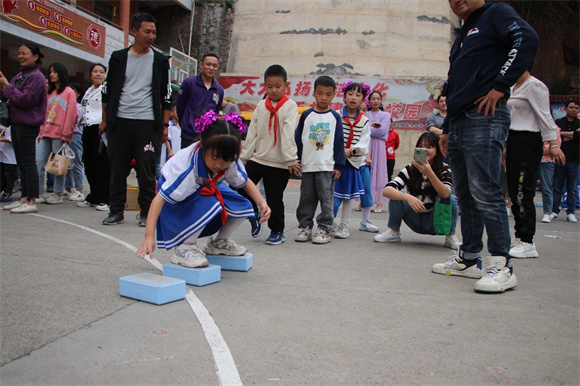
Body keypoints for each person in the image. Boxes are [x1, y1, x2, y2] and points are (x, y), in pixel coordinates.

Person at [434, 0, 539, 293]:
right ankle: (469, 258)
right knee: (465, 192)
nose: (457, 0)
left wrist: (500, 85)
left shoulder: (497, 13)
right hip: (459, 121)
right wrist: (447, 127)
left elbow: (526, 39)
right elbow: (456, 82)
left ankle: (502, 264)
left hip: (485, 115)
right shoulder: (464, 31)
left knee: (486, 191)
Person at [136, 113, 270, 268]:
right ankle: (185, 247)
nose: (219, 164)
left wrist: (261, 202)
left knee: (243, 205)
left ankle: (218, 242)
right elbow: (159, 199)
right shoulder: (186, 167)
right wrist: (148, 236)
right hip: (176, 197)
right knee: (212, 203)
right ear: (202, 144)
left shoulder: (229, 159)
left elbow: (245, 182)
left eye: (225, 160)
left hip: (206, 188)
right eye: (214, 157)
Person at [100, 12, 172, 226]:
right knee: (117, 169)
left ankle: (146, 212)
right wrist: (105, 120)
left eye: (154, 32)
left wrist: (165, 125)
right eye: (146, 31)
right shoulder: (118, 58)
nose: (151, 36)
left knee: (147, 170)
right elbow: (108, 90)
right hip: (119, 122)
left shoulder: (160, 60)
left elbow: (166, 95)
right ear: (134, 31)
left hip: (147, 122)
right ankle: (116, 210)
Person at [505, 68, 565, 258]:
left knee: (523, 191)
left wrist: (553, 143)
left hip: (529, 140)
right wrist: (506, 146)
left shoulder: (535, 86)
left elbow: (545, 115)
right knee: (514, 191)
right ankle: (519, 236)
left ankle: (527, 241)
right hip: (514, 139)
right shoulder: (512, 86)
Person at [239, 65, 299, 245]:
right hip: (258, 158)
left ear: (286, 85)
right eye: (270, 86)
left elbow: (289, 133)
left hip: (279, 163)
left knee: (274, 198)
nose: (273, 90)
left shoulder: (290, 107)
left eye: (278, 86)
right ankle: (254, 213)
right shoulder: (261, 105)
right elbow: (252, 133)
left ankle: (277, 231)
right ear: (264, 85)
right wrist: (243, 158)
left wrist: (290, 159)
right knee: (241, 186)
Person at [374, 132, 460, 249]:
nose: (424, 150)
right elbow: (387, 190)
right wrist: (408, 198)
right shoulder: (411, 168)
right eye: (420, 147)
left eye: (429, 147)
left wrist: (429, 173)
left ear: (437, 150)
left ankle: (450, 237)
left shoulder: (444, 169)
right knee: (397, 194)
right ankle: (393, 232)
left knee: (452, 198)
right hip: (415, 219)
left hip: (436, 221)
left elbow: (445, 194)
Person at [294, 75, 345, 244]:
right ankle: (305, 227)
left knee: (326, 199)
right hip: (307, 165)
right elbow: (298, 138)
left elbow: (338, 142)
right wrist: (297, 159)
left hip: (327, 167)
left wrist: (338, 165)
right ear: (314, 93)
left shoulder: (335, 117)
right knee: (306, 198)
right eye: (320, 93)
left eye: (328, 94)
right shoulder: (307, 115)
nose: (324, 97)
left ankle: (324, 229)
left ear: (333, 95)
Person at [0, 43, 47, 214]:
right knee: (21, 162)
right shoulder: (20, 75)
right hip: (17, 122)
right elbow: (10, 95)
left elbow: (26, 99)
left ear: (35, 56)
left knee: (28, 162)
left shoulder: (37, 77)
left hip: (28, 123)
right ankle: (23, 198)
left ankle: (31, 200)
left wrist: (7, 84)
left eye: (24, 53)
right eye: (18, 53)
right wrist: (6, 86)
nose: (20, 56)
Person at [333, 81, 371, 239]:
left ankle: (344, 226)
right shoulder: (336, 115)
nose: (353, 98)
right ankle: (330, 221)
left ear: (363, 98)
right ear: (344, 96)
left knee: (348, 196)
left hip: (351, 163)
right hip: (334, 163)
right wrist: (339, 151)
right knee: (331, 194)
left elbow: (364, 144)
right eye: (350, 94)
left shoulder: (364, 121)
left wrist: (350, 151)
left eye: (358, 95)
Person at [36, 63, 78, 205]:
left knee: (58, 165)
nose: (51, 74)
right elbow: (44, 114)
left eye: (54, 72)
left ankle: (58, 193)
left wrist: (66, 135)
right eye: (50, 72)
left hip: (60, 134)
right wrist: (41, 132)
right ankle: (37, 192)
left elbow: (71, 114)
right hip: (46, 132)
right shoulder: (50, 93)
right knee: (38, 162)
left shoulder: (69, 92)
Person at [77, 63, 110, 211]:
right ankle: (94, 195)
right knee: (89, 163)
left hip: (100, 128)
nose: (98, 74)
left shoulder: (106, 88)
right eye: (95, 71)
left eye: (101, 72)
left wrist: (105, 123)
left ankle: (106, 197)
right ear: (90, 74)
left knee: (101, 163)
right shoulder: (89, 91)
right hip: (87, 127)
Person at [177, 53, 224, 149]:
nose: (211, 68)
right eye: (208, 64)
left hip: (207, 136)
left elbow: (216, 111)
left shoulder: (219, 90)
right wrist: (186, 124)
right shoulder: (189, 83)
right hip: (189, 135)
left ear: (218, 68)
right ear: (201, 65)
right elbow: (180, 106)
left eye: (214, 66)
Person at [553, 99, 579, 223]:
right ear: (566, 109)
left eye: (576, 108)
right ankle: (554, 210)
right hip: (559, 158)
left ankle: (571, 212)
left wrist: (563, 134)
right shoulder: (559, 121)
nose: (574, 110)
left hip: (574, 159)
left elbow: (578, 136)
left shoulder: (579, 123)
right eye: (571, 107)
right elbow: (555, 135)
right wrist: (572, 135)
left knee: (572, 188)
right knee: (557, 186)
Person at [366, 90, 391, 213]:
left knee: (379, 171)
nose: (376, 101)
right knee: (365, 171)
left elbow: (382, 131)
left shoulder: (385, 115)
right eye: (373, 98)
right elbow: (361, 131)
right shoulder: (365, 114)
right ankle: (363, 200)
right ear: (369, 100)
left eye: (378, 98)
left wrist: (369, 129)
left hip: (379, 146)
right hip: (366, 145)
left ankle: (380, 202)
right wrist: (374, 128)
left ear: (381, 101)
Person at [64, 82, 85, 202]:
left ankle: (79, 189)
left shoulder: (79, 107)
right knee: (66, 162)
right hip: (64, 135)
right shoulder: (64, 105)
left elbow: (77, 121)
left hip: (75, 135)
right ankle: (67, 188)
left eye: (74, 92)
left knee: (76, 161)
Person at [538, 125, 562, 223]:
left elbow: (555, 145)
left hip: (547, 161)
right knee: (527, 187)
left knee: (547, 187)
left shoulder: (554, 128)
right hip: (531, 159)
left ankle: (547, 212)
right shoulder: (533, 125)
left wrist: (544, 149)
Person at [0, 126, 17, 202]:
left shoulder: (10, 126)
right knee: (1, 176)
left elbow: (12, 139)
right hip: (2, 155)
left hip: (10, 157)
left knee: (9, 176)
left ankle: (7, 193)